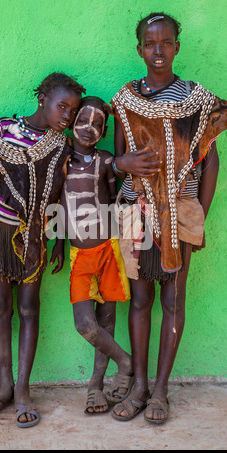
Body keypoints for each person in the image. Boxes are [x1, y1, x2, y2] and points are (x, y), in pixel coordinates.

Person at [110, 13, 227, 423]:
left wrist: (199, 213)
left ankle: (162, 391)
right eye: (151, 43)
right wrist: (122, 163)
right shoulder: (125, 99)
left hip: (181, 212)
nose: (159, 50)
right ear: (140, 50)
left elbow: (210, 160)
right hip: (136, 212)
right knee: (141, 298)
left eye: (166, 42)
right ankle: (141, 385)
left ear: (177, 47)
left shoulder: (198, 100)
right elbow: (118, 158)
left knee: (173, 298)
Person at [0, 72, 85, 427]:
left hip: (35, 238)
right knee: (0, 308)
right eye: (62, 106)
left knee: (29, 309)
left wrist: (58, 240)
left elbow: (59, 194)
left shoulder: (60, 145)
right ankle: (3, 388)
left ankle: (24, 391)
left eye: (73, 111)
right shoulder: (4, 129)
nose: (67, 116)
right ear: (42, 99)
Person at [50, 96, 133, 414]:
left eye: (98, 124)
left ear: (105, 130)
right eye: (82, 120)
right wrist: (57, 243)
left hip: (108, 251)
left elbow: (115, 201)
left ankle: (95, 387)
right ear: (71, 123)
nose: (88, 128)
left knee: (106, 321)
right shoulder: (61, 161)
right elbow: (55, 203)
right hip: (80, 256)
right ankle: (125, 362)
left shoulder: (105, 161)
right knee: (86, 324)